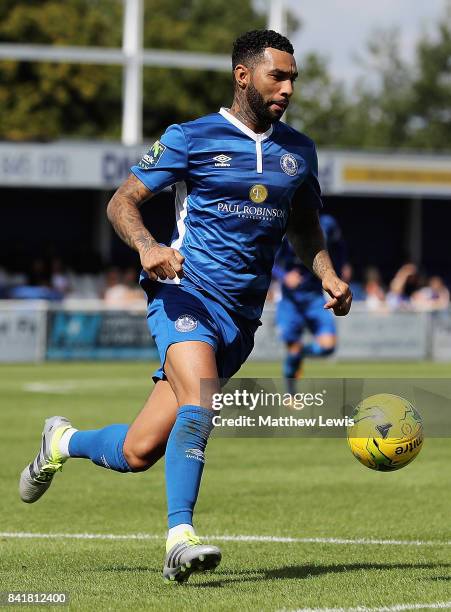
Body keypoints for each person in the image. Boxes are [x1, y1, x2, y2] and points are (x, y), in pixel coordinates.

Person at [19, 30, 352, 583]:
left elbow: (305, 224)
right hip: (184, 293)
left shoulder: (299, 152)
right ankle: (180, 538)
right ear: (243, 75)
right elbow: (122, 201)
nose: (289, 87)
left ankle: (63, 440)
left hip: (240, 320)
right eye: (279, 75)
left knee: (138, 450)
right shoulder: (190, 138)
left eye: (294, 77)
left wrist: (328, 274)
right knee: (201, 403)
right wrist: (149, 247)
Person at [273, 214, 346, 396]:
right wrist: (284, 276)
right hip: (290, 300)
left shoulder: (328, 224)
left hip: (314, 298)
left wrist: (340, 268)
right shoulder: (284, 223)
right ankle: (290, 394)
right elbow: (269, 259)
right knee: (291, 347)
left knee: (328, 346)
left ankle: (300, 353)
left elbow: (340, 246)